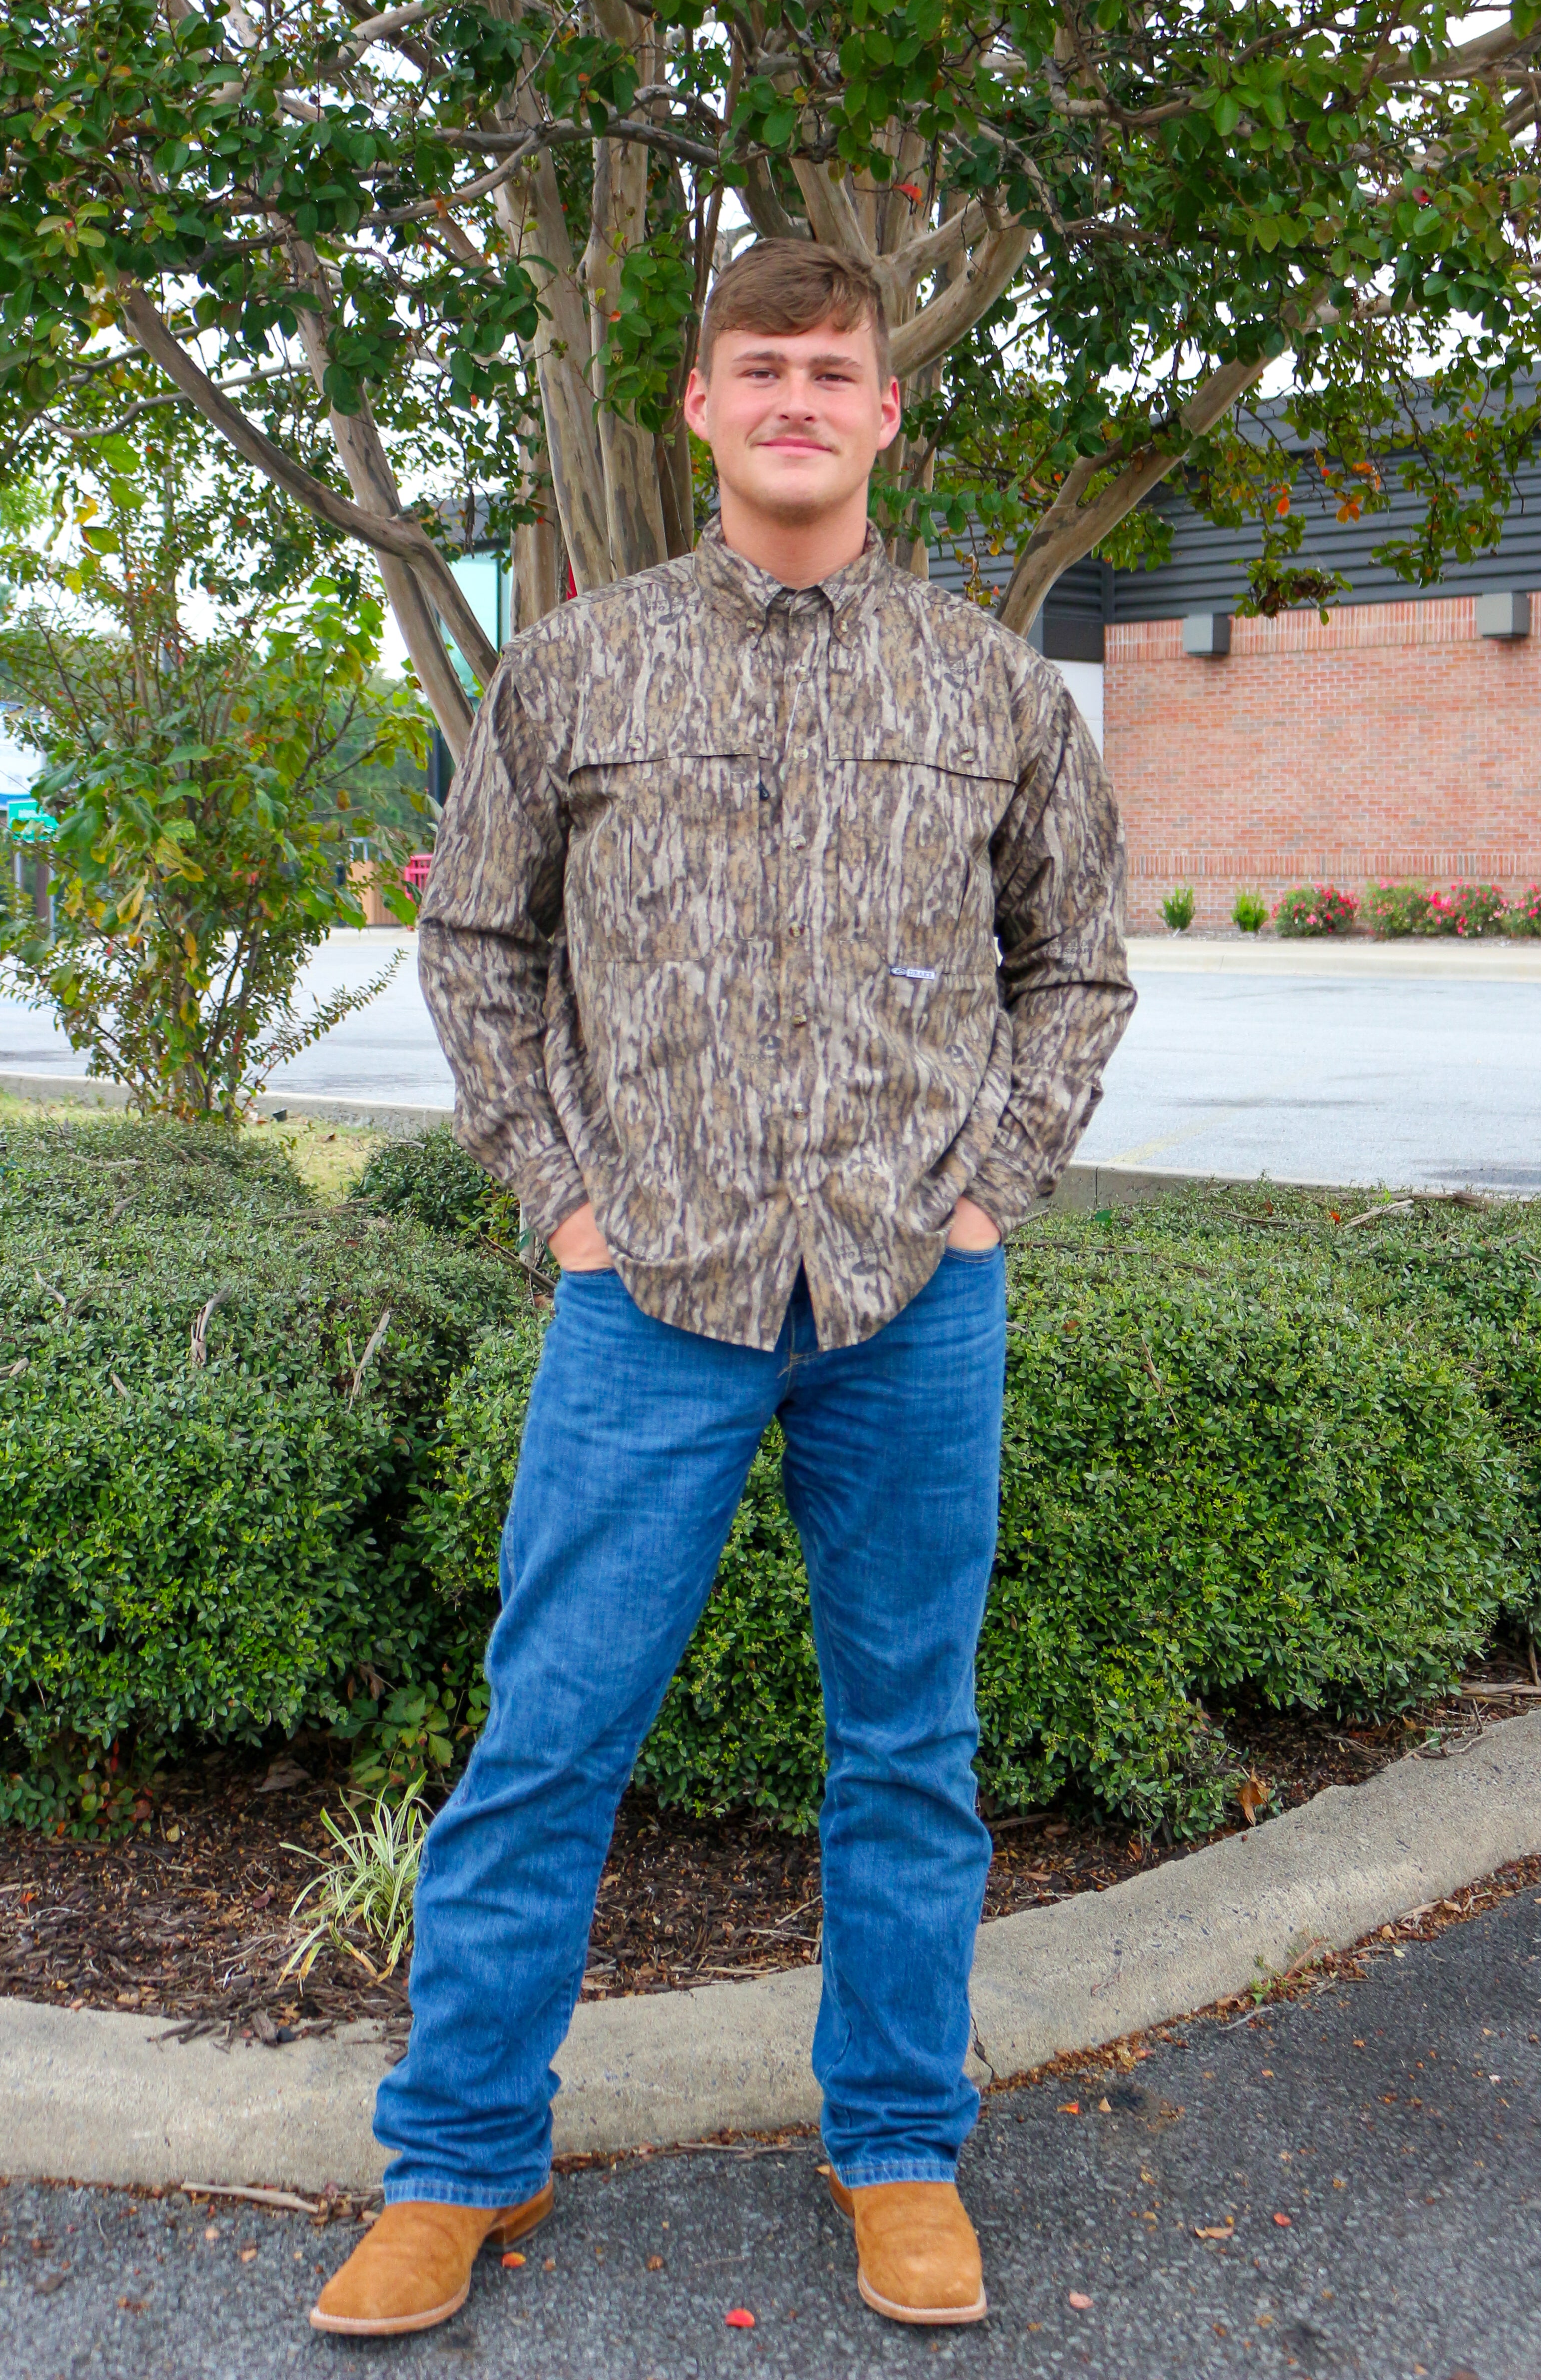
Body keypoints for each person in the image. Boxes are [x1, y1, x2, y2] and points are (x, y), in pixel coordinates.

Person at [311, 239, 1134, 2340]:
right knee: (548, 1737)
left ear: (883, 411)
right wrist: (561, 1198)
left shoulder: (989, 688)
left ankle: (899, 2147)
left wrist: (989, 1196)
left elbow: (1077, 965)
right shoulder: (577, 672)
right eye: (759, 367)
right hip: (647, 1299)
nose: (795, 399)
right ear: (698, 406)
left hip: (909, 1301)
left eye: (831, 371)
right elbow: (479, 946)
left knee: (910, 1748)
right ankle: (457, 2161)